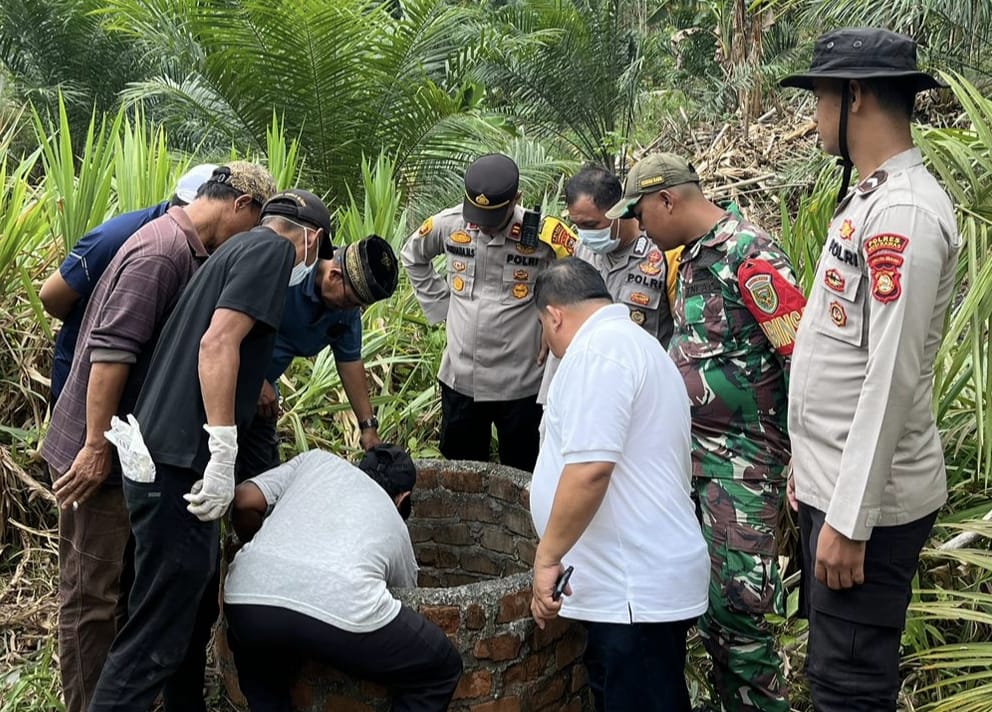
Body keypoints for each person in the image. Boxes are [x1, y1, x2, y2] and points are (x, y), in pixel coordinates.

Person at [87, 188, 353, 711]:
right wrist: (224, 449)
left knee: (178, 610)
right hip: (179, 466)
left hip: (158, 453)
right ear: (314, 239)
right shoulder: (273, 252)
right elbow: (217, 343)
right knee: (154, 639)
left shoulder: (232, 249)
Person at [38, 161, 275, 712]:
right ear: (240, 206)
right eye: (254, 226)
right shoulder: (162, 252)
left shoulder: (189, 249)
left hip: (126, 448)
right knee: (91, 595)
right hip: (94, 449)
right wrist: (96, 447)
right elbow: (109, 355)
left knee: (123, 586)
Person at [780, 28, 959, 711]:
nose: (815, 115)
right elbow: (842, 356)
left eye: (820, 97)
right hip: (840, 486)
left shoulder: (904, 214)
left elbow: (891, 375)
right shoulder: (870, 199)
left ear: (853, 95)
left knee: (849, 685)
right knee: (833, 669)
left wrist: (850, 520)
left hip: (871, 512)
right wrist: (812, 467)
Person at [607, 153, 806, 712]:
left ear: (667, 199)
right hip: (692, 463)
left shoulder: (749, 253)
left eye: (642, 214)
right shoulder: (687, 260)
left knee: (740, 618)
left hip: (742, 465)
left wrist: (806, 458)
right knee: (708, 612)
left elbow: (802, 357)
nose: (639, 228)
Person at [528, 258, 709, 712]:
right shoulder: (634, 344)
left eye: (543, 330)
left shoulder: (599, 353)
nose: (548, 344)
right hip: (630, 587)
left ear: (554, 315)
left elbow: (591, 469)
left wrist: (547, 558)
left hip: (633, 592)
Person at [224, 445, 463, 712]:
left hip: (246, 598)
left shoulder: (316, 461)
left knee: (261, 666)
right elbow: (406, 597)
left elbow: (244, 498)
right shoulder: (394, 522)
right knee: (441, 668)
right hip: (344, 614)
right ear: (403, 498)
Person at [401, 153, 575, 472]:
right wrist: (443, 308)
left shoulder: (542, 234)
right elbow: (413, 257)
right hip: (461, 378)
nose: (482, 225)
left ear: (516, 200)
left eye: (491, 217)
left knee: (523, 470)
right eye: (476, 214)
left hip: (521, 382)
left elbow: (576, 276)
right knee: (461, 470)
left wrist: (554, 323)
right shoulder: (449, 224)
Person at [237, 189, 399, 478]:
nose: (353, 310)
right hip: (227, 379)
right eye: (352, 302)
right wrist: (253, 378)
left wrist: (368, 428)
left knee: (261, 480)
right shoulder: (289, 272)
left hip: (262, 401)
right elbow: (225, 329)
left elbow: (349, 362)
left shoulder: (346, 311)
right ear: (334, 276)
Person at [40, 163, 217, 404]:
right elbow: (52, 296)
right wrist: (95, 324)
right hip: (82, 371)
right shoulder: (120, 236)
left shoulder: (202, 249)